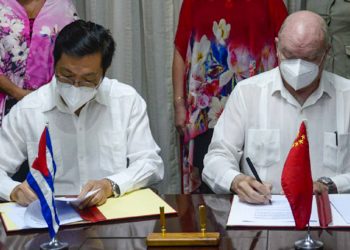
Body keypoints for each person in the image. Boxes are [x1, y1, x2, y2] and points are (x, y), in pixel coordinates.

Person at [0, 20, 164, 209]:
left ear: (104, 72)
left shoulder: (125, 100)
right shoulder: (29, 110)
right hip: (51, 222)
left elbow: (150, 163)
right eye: (67, 76)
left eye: (88, 79)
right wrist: (14, 190)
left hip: (111, 214)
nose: (76, 86)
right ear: (55, 64)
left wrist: (110, 185)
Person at [203, 11, 350, 204]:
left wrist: (331, 185)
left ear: (326, 52)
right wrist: (236, 181)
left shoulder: (346, 96)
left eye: (309, 58)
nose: (298, 66)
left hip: (330, 215)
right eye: (289, 55)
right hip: (263, 211)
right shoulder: (248, 93)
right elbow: (217, 157)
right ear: (277, 47)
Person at [173, 0, 288, 193]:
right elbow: (180, 49)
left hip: (255, 109)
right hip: (206, 112)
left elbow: (287, 46)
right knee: (208, 184)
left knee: (256, 180)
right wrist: (179, 105)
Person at [0, 0, 78, 126]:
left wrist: (45, 97)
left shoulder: (63, 7)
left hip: (51, 103)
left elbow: (74, 57)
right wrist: (19, 93)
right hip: (4, 103)